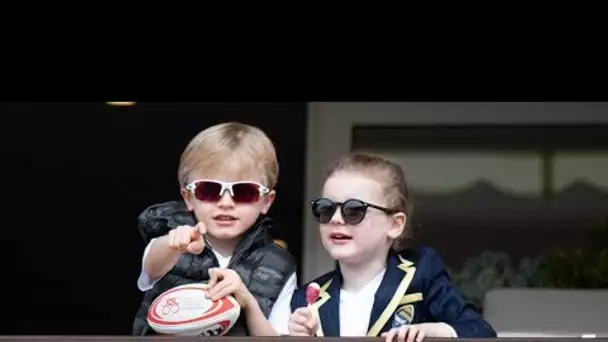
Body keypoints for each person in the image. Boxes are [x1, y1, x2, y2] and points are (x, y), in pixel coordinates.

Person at [289, 152, 496, 341]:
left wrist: (432, 331)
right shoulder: (306, 297)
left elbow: (480, 330)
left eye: (353, 210)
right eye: (325, 209)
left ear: (394, 224)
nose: (335, 219)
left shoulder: (421, 272)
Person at [132, 122, 298, 336]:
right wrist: (175, 245)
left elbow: (276, 337)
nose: (226, 202)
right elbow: (151, 268)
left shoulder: (280, 264)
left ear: (266, 201)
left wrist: (247, 302)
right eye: (209, 190)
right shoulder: (169, 238)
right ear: (188, 197)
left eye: (244, 192)